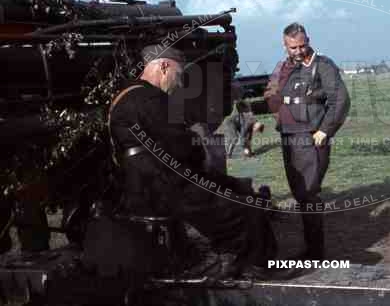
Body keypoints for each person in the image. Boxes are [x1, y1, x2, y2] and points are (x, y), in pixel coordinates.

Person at [108, 44, 282, 279]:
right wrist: (197, 145)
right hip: (163, 188)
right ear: (164, 66)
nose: (179, 83)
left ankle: (230, 256)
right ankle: (259, 267)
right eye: (178, 75)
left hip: (146, 185)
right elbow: (180, 146)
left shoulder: (127, 94)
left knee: (232, 189)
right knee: (248, 209)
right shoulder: (149, 98)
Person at [264, 22, 350, 260]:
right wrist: (277, 110)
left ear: (308, 40)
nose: (299, 51)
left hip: (311, 137)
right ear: (285, 46)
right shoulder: (282, 66)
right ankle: (310, 247)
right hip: (289, 136)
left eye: (303, 45)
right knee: (299, 193)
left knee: (308, 194)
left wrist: (325, 130)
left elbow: (340, 100)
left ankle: (314, 252)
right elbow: (270, 92)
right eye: (293, 48)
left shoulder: (322, 65)